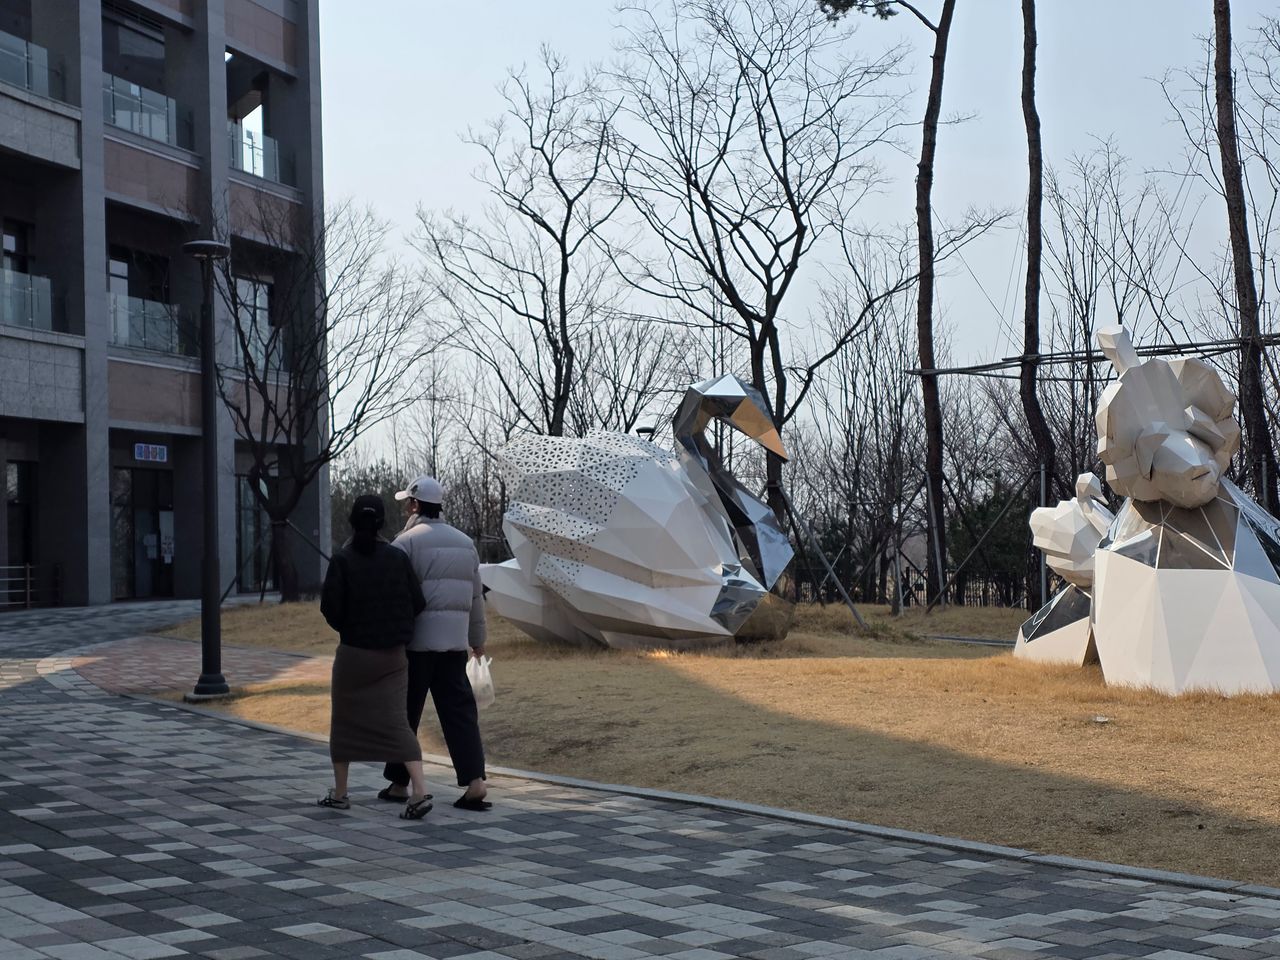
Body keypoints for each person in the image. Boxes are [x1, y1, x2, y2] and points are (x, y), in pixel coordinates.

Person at [318, 494, 433, 820]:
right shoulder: (397, 558)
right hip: (393, 657)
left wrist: (351, 628)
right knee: (398, 724)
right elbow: (418, 601)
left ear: (353, 522)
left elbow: (330, 608)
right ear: (382, 523)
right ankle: (420, 792)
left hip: (353, 655)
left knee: (343, 723)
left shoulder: (342, 560)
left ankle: (340, 794)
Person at [380, 475, 492, 811]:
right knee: (460, 714)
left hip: (415, 647)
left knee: (405, 714)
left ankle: (400, 783)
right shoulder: (465, 543)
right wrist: (477, 640)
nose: (404, 510)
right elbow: (476, 597)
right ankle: (475, 782)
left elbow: (395, 599)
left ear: (415, 504)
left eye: (406, 504)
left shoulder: (405, 544)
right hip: (454, 646)